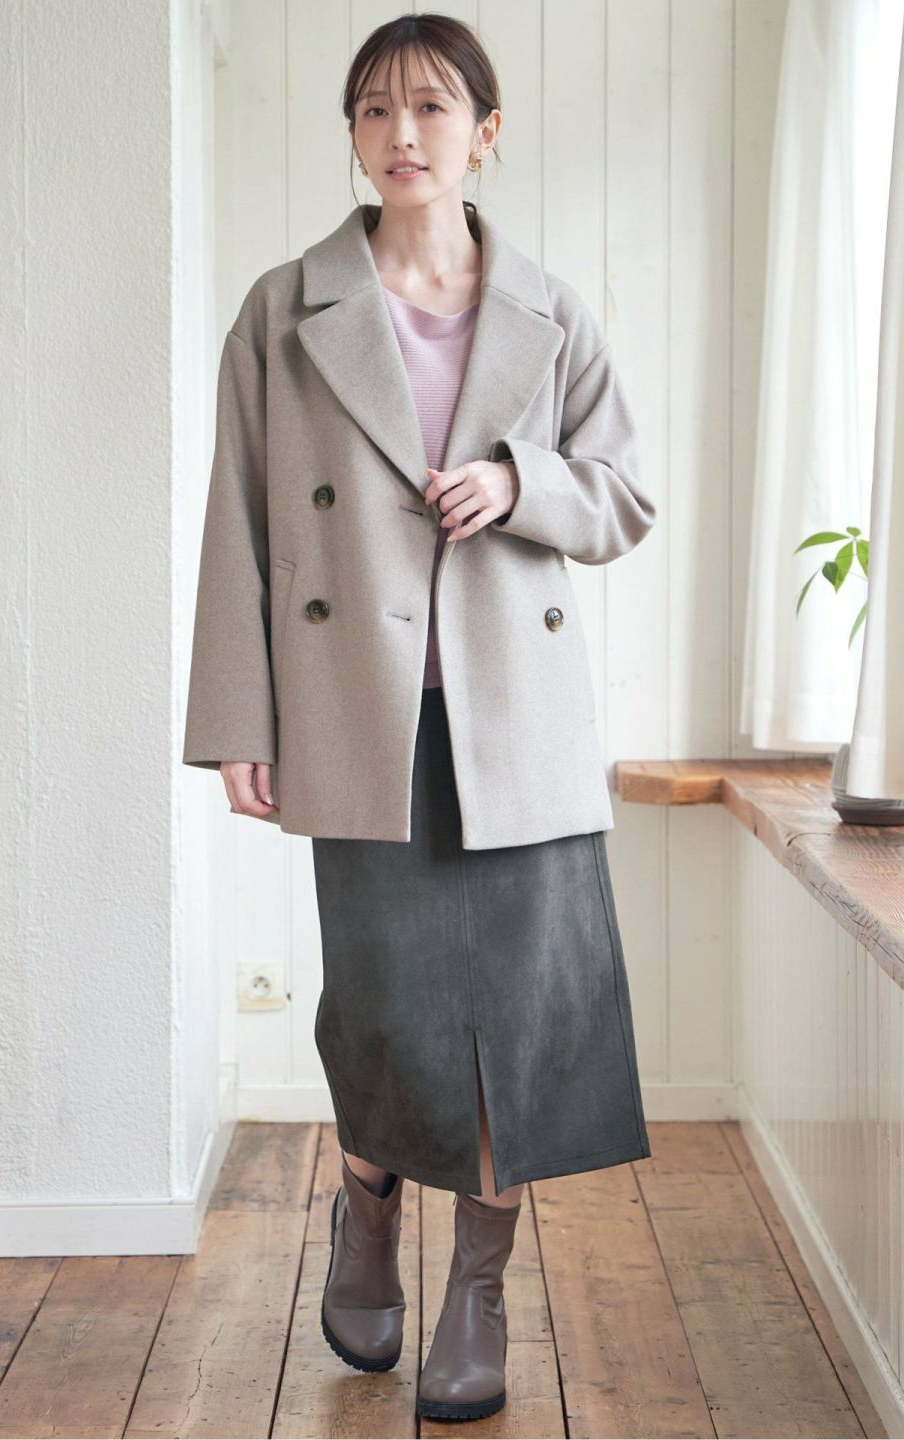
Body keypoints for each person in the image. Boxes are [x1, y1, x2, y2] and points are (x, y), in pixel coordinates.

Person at [182, 12, 656, 1423]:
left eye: (434, 107)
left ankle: (480, 1292)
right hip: (356, 713)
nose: (403, 134)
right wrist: (238, 717)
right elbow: (238, 520)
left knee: (516, 1020)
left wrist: (519, 482)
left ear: (485, 134)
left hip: (516, 718)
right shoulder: (286, 310)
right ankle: (370, 1195)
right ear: (353, 132)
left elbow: (624, 496)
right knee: (384, 1008)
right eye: (376, 109)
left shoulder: (550, 314)